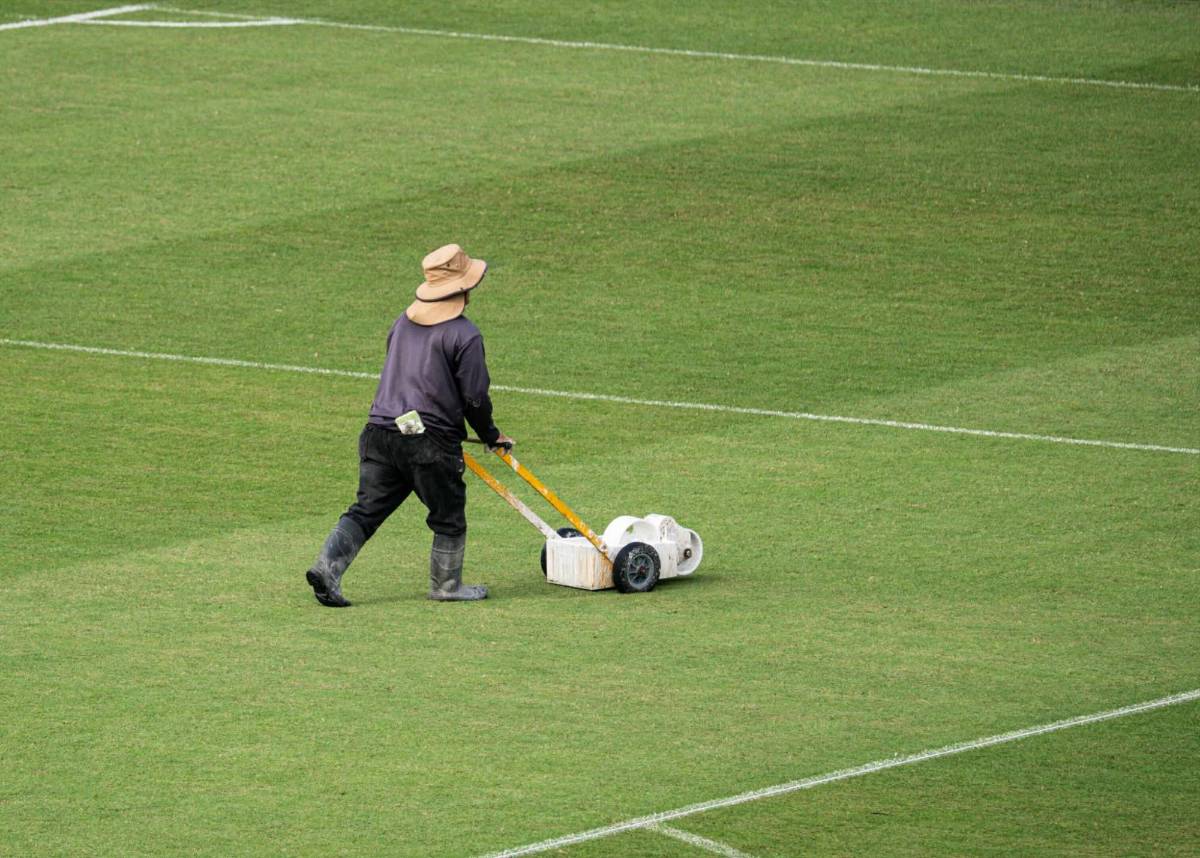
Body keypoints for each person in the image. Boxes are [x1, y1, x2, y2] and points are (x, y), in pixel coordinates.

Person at [305, 243, 512, 607]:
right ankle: (446, 586)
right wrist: (491, 436)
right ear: (464, 288)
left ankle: (327, 568)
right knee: (448, 514)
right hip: (428, 444)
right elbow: (475, 397)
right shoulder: (465, 335)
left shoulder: (402, 322)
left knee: (366, 510)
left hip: (379, 433)